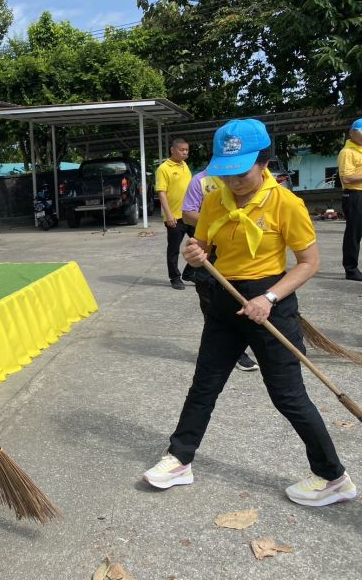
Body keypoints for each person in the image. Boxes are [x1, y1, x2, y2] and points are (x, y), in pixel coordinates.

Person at [143, 119, 356, 507]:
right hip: (223, 301)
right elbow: (202, 245)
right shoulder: (214, 199)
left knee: (289, 396)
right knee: (204, 385)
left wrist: (269, 299)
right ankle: (180, 459)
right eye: (227, 174)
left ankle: (333, 477)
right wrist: (194, 253)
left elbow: (308, 262)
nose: (234, 182)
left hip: (268, 303)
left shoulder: (286, 204)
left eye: (241, 173)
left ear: (264, 162)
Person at [182, 169, 259, 372]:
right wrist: (219, 220)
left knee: (244, 302)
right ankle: (230, 354)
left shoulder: (255, 175)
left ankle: (243, 348)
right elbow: (187, 213)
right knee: (212, 304)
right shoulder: (200, 181)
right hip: (210, 249)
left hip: (242, 251)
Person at [156, 138, 194, 289]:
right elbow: (161, 192)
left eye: (187, 150)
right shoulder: (164, 168)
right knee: (173, 250)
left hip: (189, 215)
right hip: (174, 217)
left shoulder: (185, 165)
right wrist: (168, 214)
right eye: (182, 150)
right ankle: (174, 278)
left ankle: (189, 273)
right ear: (173, 150)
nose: (185, 153)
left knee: (204, 244)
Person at [337, 119, 362, 281]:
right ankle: (351, 269)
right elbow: (346, 178)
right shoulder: (347, 153)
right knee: (354, 233)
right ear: (352, 133)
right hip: (354, 195)